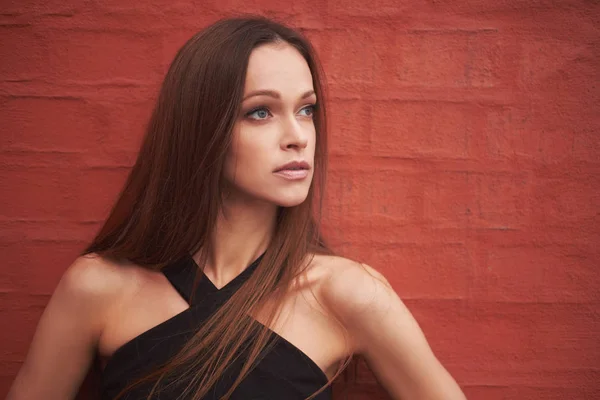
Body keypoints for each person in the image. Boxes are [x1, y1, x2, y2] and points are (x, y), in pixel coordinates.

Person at [7, 15, 467, 400]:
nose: (298, 136)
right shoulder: (97, 287)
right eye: (260, 112)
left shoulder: (346, 292)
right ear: (202, 129)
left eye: (307, 110)